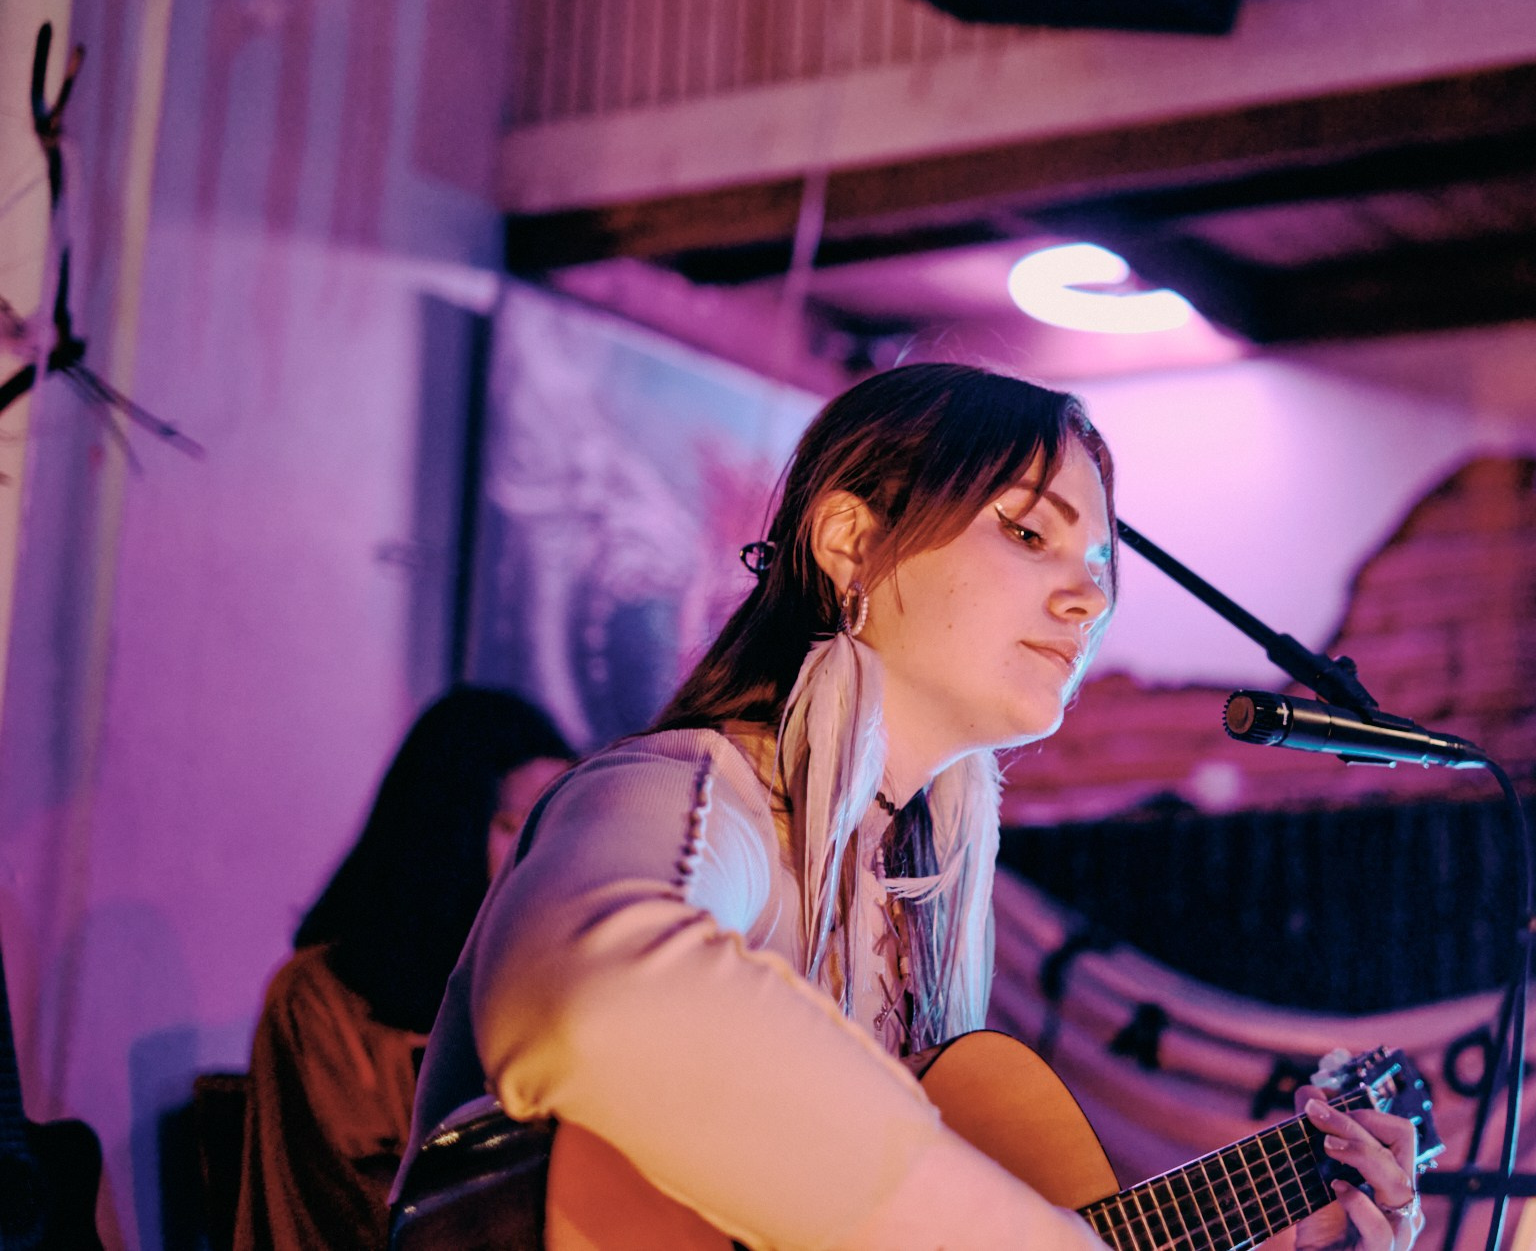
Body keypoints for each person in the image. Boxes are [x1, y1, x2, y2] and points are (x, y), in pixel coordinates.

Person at [405, 364, 1422, 1251]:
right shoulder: (685, 790)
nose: (1089, 600)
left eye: (1100, 568)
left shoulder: (919, 906)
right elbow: (593, 1002)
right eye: (1030, 532)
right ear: (849, 539)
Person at [235, 687, 574, 1251]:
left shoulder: (547, 985)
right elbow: (361, 1211)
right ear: (445, 834)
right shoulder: (318, 999)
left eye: (559, 830)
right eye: (514, 829)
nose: (542, 859)